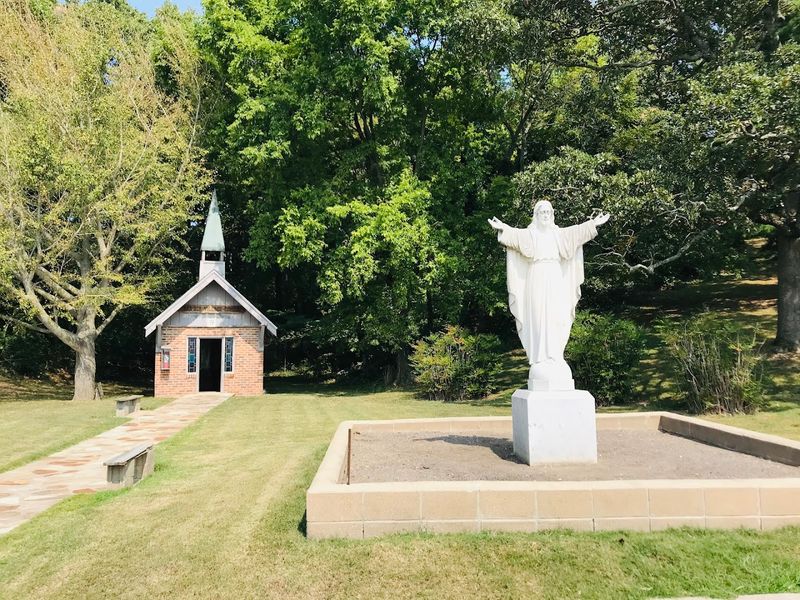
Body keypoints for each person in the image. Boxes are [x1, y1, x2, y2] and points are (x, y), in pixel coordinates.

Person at [488, 200, 610, 389]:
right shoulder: (530, 235)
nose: (545, 215)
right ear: (536, 215)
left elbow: (577, 232)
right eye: (542, 212)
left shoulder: (559, 235)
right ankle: (540, 357)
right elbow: (515, 235)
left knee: (557, 316)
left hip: (555, 277)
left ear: (552, 215)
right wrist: (502, 227)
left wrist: (594, 223)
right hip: (536, 277)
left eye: (548, 212)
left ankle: (556, 355)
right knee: (538, 317)